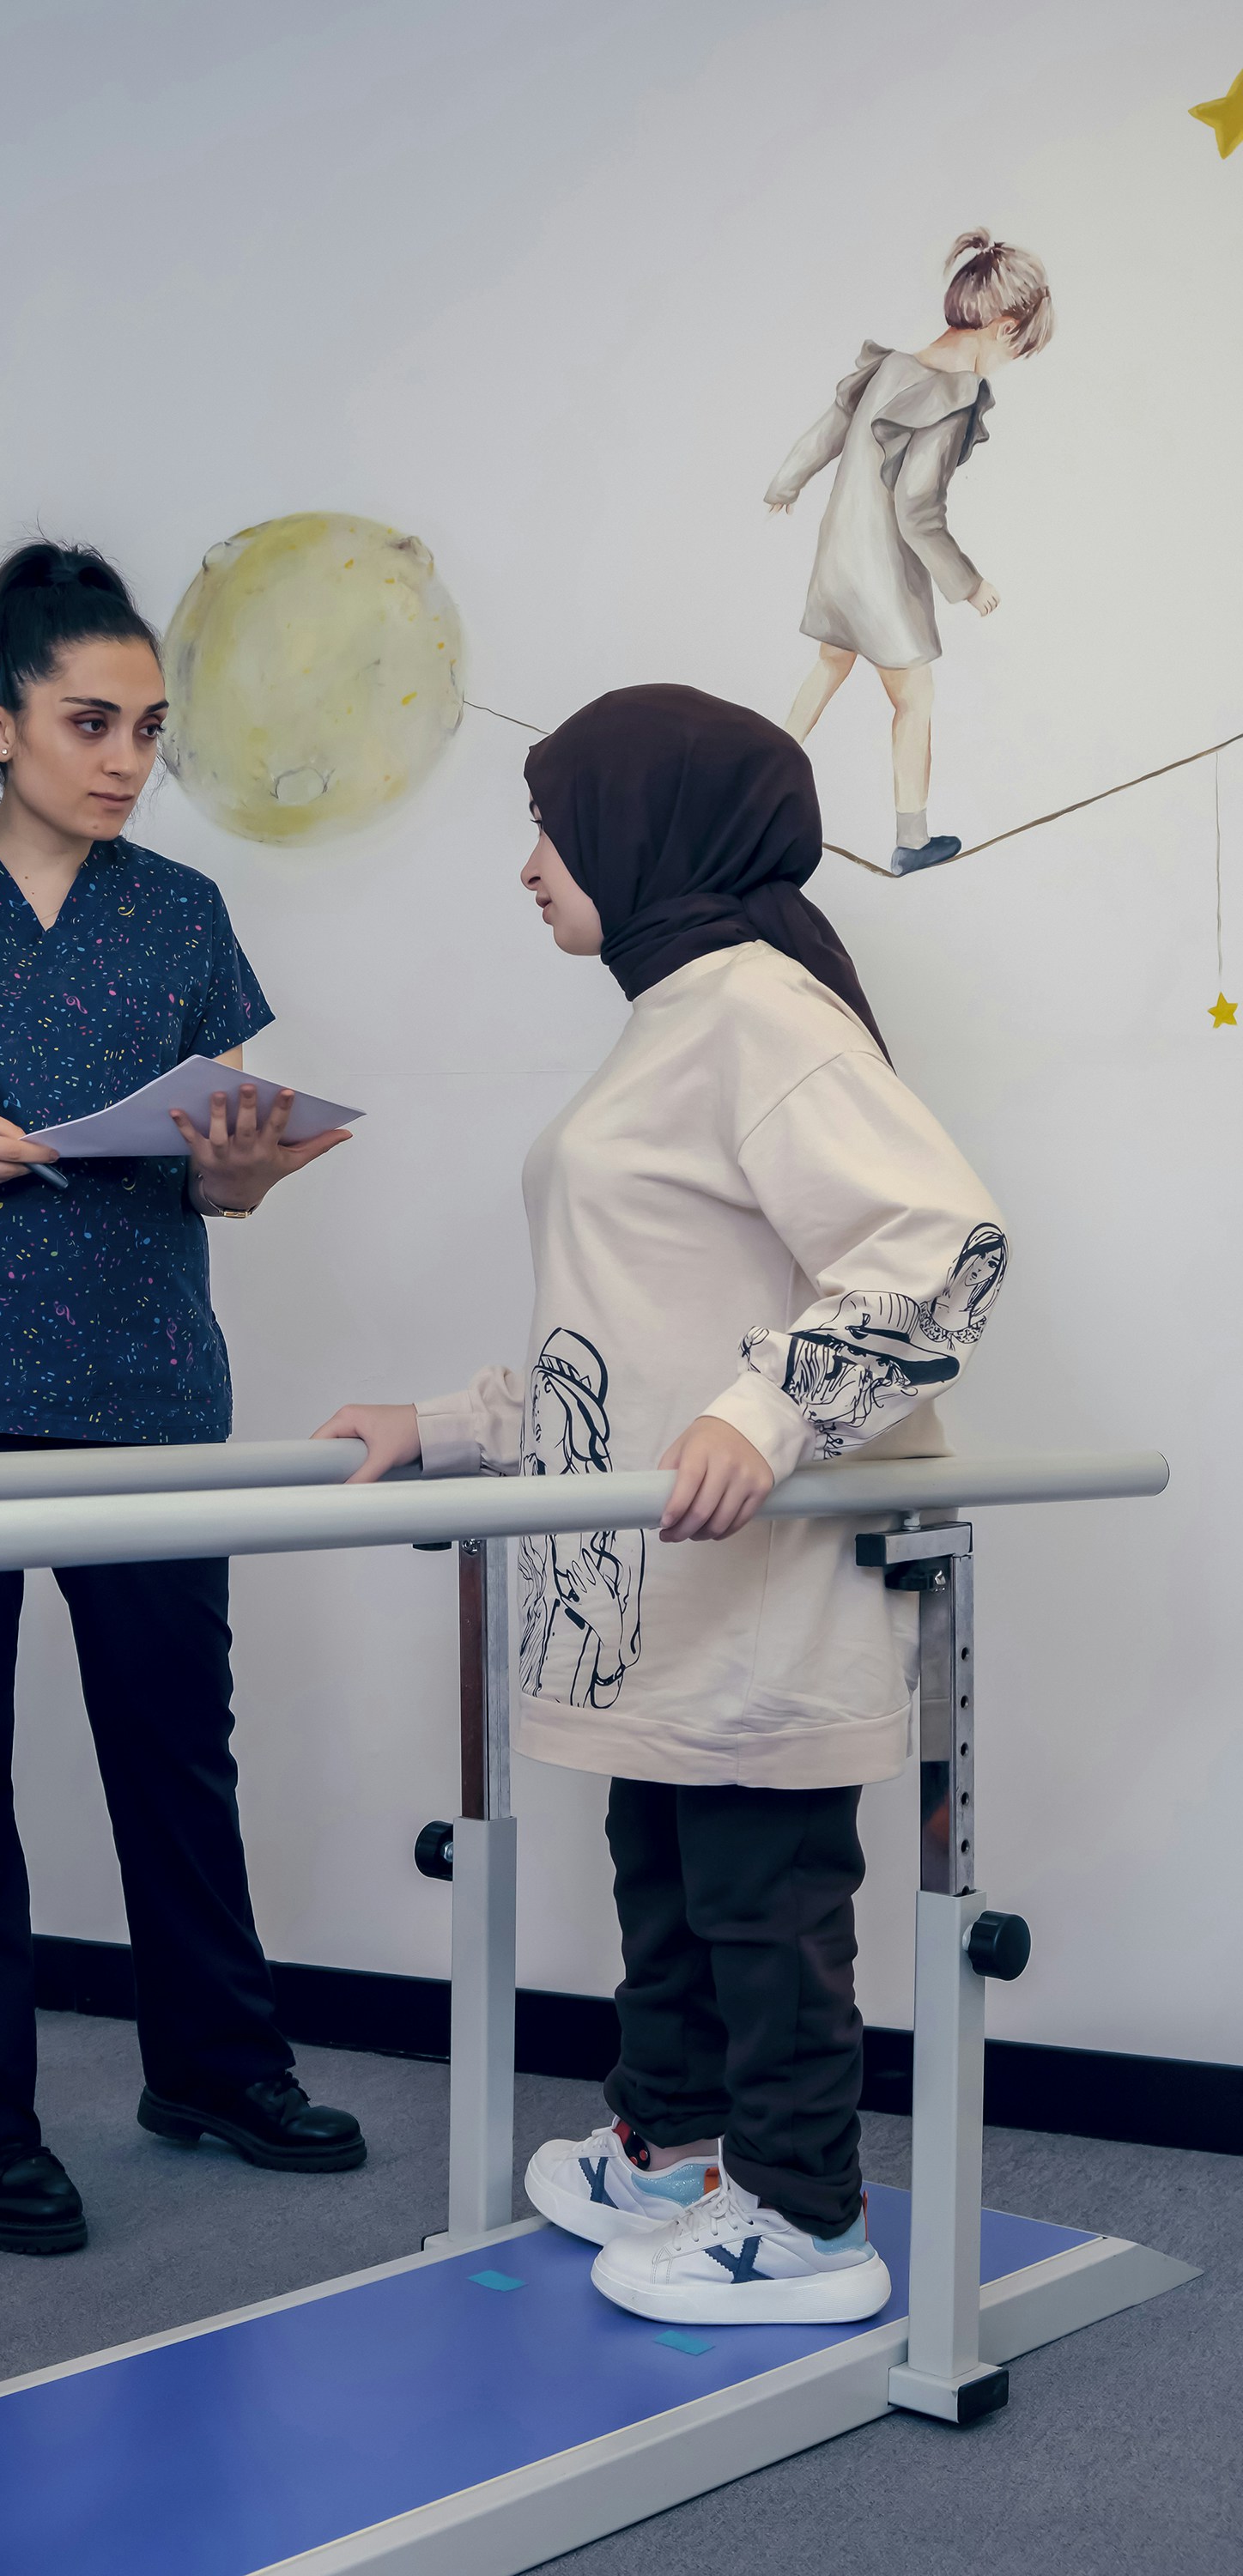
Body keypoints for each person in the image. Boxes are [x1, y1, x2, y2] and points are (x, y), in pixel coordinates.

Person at [316, 684, 1007, 2327]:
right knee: (668, 1880)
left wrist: (765, 1415)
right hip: (661, 1580)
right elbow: (621, 1341)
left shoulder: (760, 1010)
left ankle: (806, 2220)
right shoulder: (674, 1015)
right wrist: (444, 1425)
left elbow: (945, 1250)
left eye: (552, 824)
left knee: (764, 1901)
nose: (530, 863)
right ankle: (679, 2149)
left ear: (644, 824)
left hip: (762, 1568)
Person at [0, 540, 363, 2257]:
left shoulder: (181, 915)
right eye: (92, 722)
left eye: (149, 729)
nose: (126, 759)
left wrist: (246, 1169)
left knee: (174, 1745)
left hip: (142, 1379)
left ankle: (217, 2069)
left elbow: (218, 1180)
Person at [767, 228, 1055, 877]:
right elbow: (917, 509)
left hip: (839, 554)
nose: (1007, 363)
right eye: (1016, 351)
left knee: (829, 667)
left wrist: (785, 484)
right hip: (883, 575)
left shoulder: (890, 366)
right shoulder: (952, 397)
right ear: (1004, 328)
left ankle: (752, 773)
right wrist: (968, 582)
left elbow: (830, 429)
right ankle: (911, 840)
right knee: (914, 699)